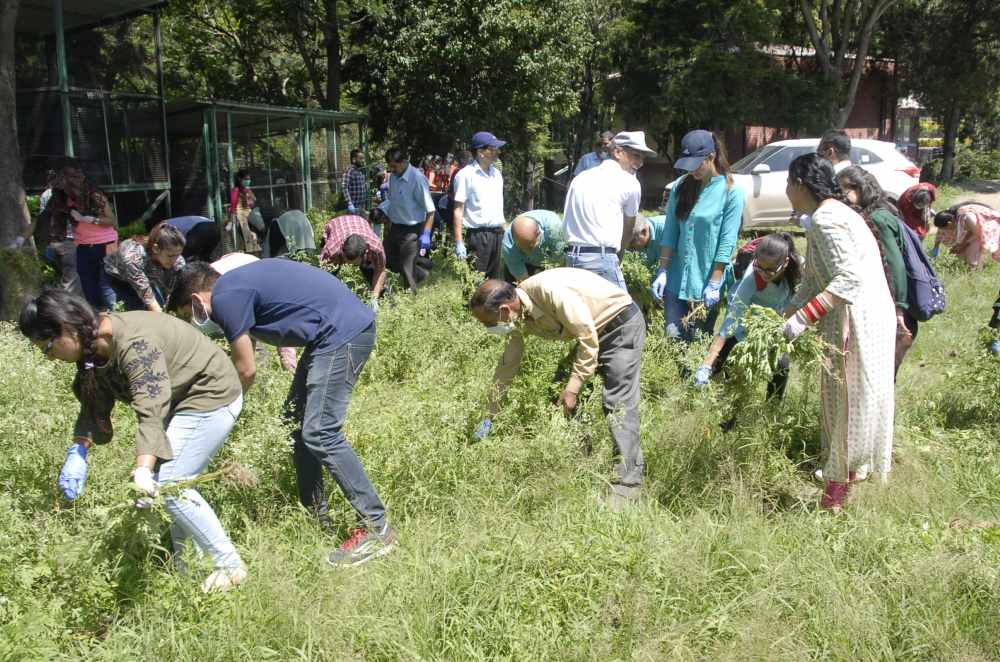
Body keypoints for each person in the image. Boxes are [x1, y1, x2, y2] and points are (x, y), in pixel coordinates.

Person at [170, 259, 396, 566]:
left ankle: (376, 528)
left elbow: (246, 369)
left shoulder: (224, 295)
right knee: (296, 424)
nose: (198, 321)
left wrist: (217, 413)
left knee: (320, 431)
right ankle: (316, 516)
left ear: (197, 298)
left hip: (343, 333)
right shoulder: (234, 286)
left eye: (191, 315)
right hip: (330, 335)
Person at [19, 289, 247, 592]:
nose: (49, 357)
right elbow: (93, 404)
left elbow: (150, 409)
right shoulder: (91, 351)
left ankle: (229, 565)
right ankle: (188, 572)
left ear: (67, 328)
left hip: (209, 393)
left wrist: (142, 470)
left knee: (170, 482)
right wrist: (79, 450)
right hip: (176, 403)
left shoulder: (134, 343)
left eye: (48, 347)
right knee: (170, 483)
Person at [469, 270, 646, 500]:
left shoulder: (549, 292)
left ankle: (628, 483)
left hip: (619, 324)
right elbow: (508, 365)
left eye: (489, 324)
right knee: (558, 394)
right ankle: (585, 461)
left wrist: (573, 388)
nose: (489, 330)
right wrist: (490, 415)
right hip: (593, 332)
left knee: (617, 402)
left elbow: (587, 339)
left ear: (504, 310)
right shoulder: (518, 315)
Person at [783, 152, 895, 510]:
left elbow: (847, 279)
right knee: (856, 399)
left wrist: (802, 318)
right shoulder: (832, 214)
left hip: (855, 321)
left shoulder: (828, 219)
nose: (787, 190)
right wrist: (785, 310)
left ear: (800, 184)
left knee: (846, 404)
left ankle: (836, 495)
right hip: (865, 314)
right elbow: (817, 278)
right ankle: (850, 476)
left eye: (788, 183)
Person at [651, 130, 743, 341]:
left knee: (697, 340)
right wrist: (662, 270)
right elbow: (670, 231)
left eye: (695, 164)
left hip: (706, 280)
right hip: (676, 278)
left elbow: (727, 242)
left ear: (710, 157)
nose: (691, 170)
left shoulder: (731, 192)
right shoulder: (681, 187)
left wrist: (714, 283)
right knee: (673, 338)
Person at [693, 233, 801, 401]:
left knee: (781, 365)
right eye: (759, 267)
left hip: (775, 324)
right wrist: (706, 364)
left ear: (785, 263)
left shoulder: (797, 270)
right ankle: (708, 393)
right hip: (745, 321)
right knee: (725, 359)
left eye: (770, 270)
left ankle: (772, 406)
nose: (763, 273)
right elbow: (729, 322)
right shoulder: (752, 278)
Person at [837, 167, 916, 375]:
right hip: (884, 300)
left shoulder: (878, 217)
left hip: (892, 303)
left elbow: (894, 263)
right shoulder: (876, 211)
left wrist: (898, 307)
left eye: (843, 189)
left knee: (880, 372)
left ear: (859, 188)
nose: (840, 196)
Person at [563, 131, 654, 290]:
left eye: (642, 158)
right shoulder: (630, 183)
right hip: (601, 259)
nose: (640, 163)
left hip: (572, 258)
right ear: (618, 152)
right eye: (636, 155)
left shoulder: (581, 178)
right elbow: (629, 227)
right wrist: (619, 255)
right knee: (625, 313)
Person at [48, 160, 119, 311]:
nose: (60, 184)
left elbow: (112, 221)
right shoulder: (61, 198)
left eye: (64, 179)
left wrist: (91, 219)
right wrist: (21, 238)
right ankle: (99, 315)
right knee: (88, 284)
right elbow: (42, 218)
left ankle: (116, 314)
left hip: (106, 243)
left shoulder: (95, 194)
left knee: (107, 282)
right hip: (83, 245)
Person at [453, 131, 507, 278]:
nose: (497, 152)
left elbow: (498, 207)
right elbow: (458, 209)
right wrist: (459, 241)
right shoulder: (465, 175)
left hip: (497, 235)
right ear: (480, 152)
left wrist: (506, 231)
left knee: (493, 282)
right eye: (493, 149)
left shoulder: (497, 174)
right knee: (475, 281)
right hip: (477, 236)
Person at [384, 147, 436, 292]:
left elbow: (430, 210)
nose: (391, 170)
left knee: (407, 268)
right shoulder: (393, 177)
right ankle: (422, 270)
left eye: (394, 166)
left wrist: (425, 235)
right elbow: (393, 202)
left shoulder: (417, 179)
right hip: (395, 226)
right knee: (386, 258)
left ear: (405, 162)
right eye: (390, 166)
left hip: (411, 230)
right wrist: (389, 223)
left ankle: (410, 296)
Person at [103, 223, 186, 312]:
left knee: (161, 306)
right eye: (170, 256)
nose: (175, 260)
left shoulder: (176, 259)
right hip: (115, 279)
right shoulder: (132, 256)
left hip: (146, 278)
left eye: (178, 254)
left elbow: (178, 289)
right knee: (120, 313)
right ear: (156, 249)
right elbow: (148, 297)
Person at [321, 212, 387, 309]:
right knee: (328, 277)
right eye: (346, 261)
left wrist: (374, 297)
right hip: (337, 224)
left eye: (353, 263)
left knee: (374, 276)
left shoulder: (376, 248)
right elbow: (321, 274)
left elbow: (380, 270)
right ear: (342, 250)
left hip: (360, 223)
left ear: (365, 254)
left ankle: (386, 304)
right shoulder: (331, 249)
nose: (349, 266)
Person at [501, 210, 566, 282]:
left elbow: (560, 264)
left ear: (539, 234)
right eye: (522, 249)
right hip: (524, 262)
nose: (528, 252)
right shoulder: (508, 245)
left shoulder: (554, 230)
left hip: (548, 259)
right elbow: (523, 280)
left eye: (530, 247)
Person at [931, 203, 1000, 269]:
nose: (947, 230)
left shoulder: (965, 217)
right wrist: (961, 245)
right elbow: (971, 231)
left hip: (989, 228)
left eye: (946, 228)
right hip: (980, 230)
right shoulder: (953, 215)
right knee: (961, 254)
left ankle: (976, 273)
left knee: (972, 260)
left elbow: (980, 234)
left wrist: (963, 245)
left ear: (949, 223)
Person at [227, 169, 262, 255]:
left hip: (250, 214)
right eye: (246, 179)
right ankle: (251, 252)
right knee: (250, 238)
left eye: (249, 179)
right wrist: (231, 221)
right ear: (240, 179)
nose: (248, 181)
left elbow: (253, 202)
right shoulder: (236, 190)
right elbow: (233, 206)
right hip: (241, 216)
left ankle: (255, 250)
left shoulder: (247, 190)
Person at [342, 149, 369, 215]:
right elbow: (344, 187)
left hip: (361, 206)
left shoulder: (361, 171)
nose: (363, 161)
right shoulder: (349, 171)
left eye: (363, 158)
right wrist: (349, 203)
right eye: (360, 158)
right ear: (354, 160)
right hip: (353, 207)